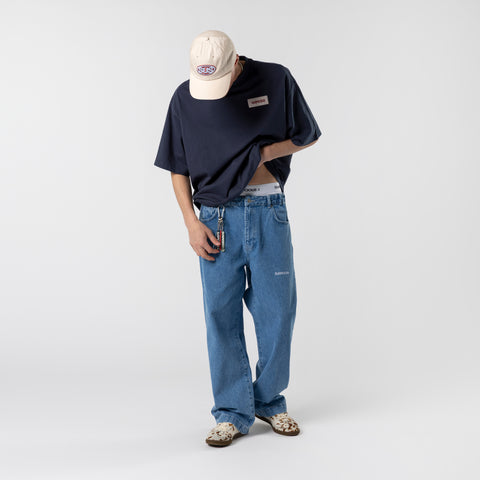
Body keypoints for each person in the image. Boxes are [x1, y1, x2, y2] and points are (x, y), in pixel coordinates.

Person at [154, 29, 321, 447]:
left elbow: (307, 133)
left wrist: (262, 153)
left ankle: (269, 401)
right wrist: (190, 223)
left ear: (235, 64)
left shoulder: (275, 79)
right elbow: (177, 166)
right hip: (214, 219)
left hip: (268, 210)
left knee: (278, 313)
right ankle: (231, 411)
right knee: (220, 317)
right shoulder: (184, 97)